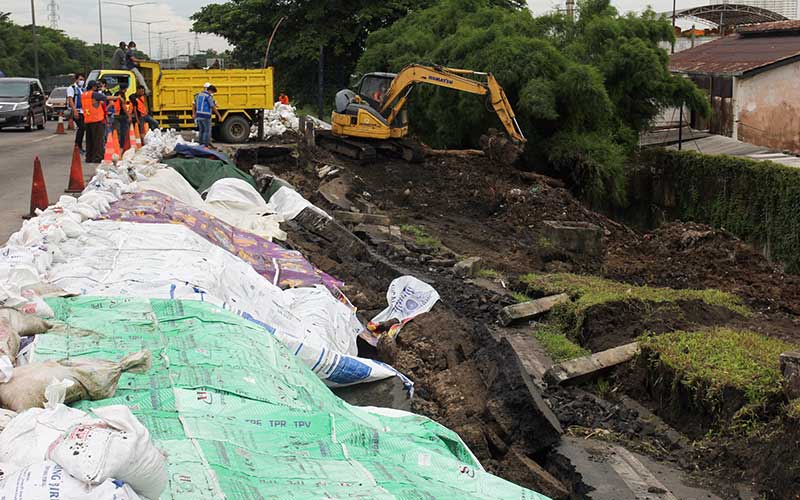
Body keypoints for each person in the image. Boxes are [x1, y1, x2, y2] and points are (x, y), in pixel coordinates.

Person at [81, 81, 119, 163]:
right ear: (93, 87)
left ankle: (89, 157)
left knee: (90, 140)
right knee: (98, 140)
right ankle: (98, 157)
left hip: (88, 119)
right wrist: (117, 97)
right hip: (97, 120)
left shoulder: (84, 95)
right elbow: (106, 98)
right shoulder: (94, 94)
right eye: (96, 87)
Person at [66, 73, 85, 153]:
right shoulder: (71, 88)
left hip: (82, 111)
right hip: (75, 111)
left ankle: (79, 146)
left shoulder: (82, 89)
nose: (82, 81)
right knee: (81, 127)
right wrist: (75, 111)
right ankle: (77, 146)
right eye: (80, 79)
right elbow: (70, 100)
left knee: (83, 128)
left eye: (83, 80)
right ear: (76, 80)